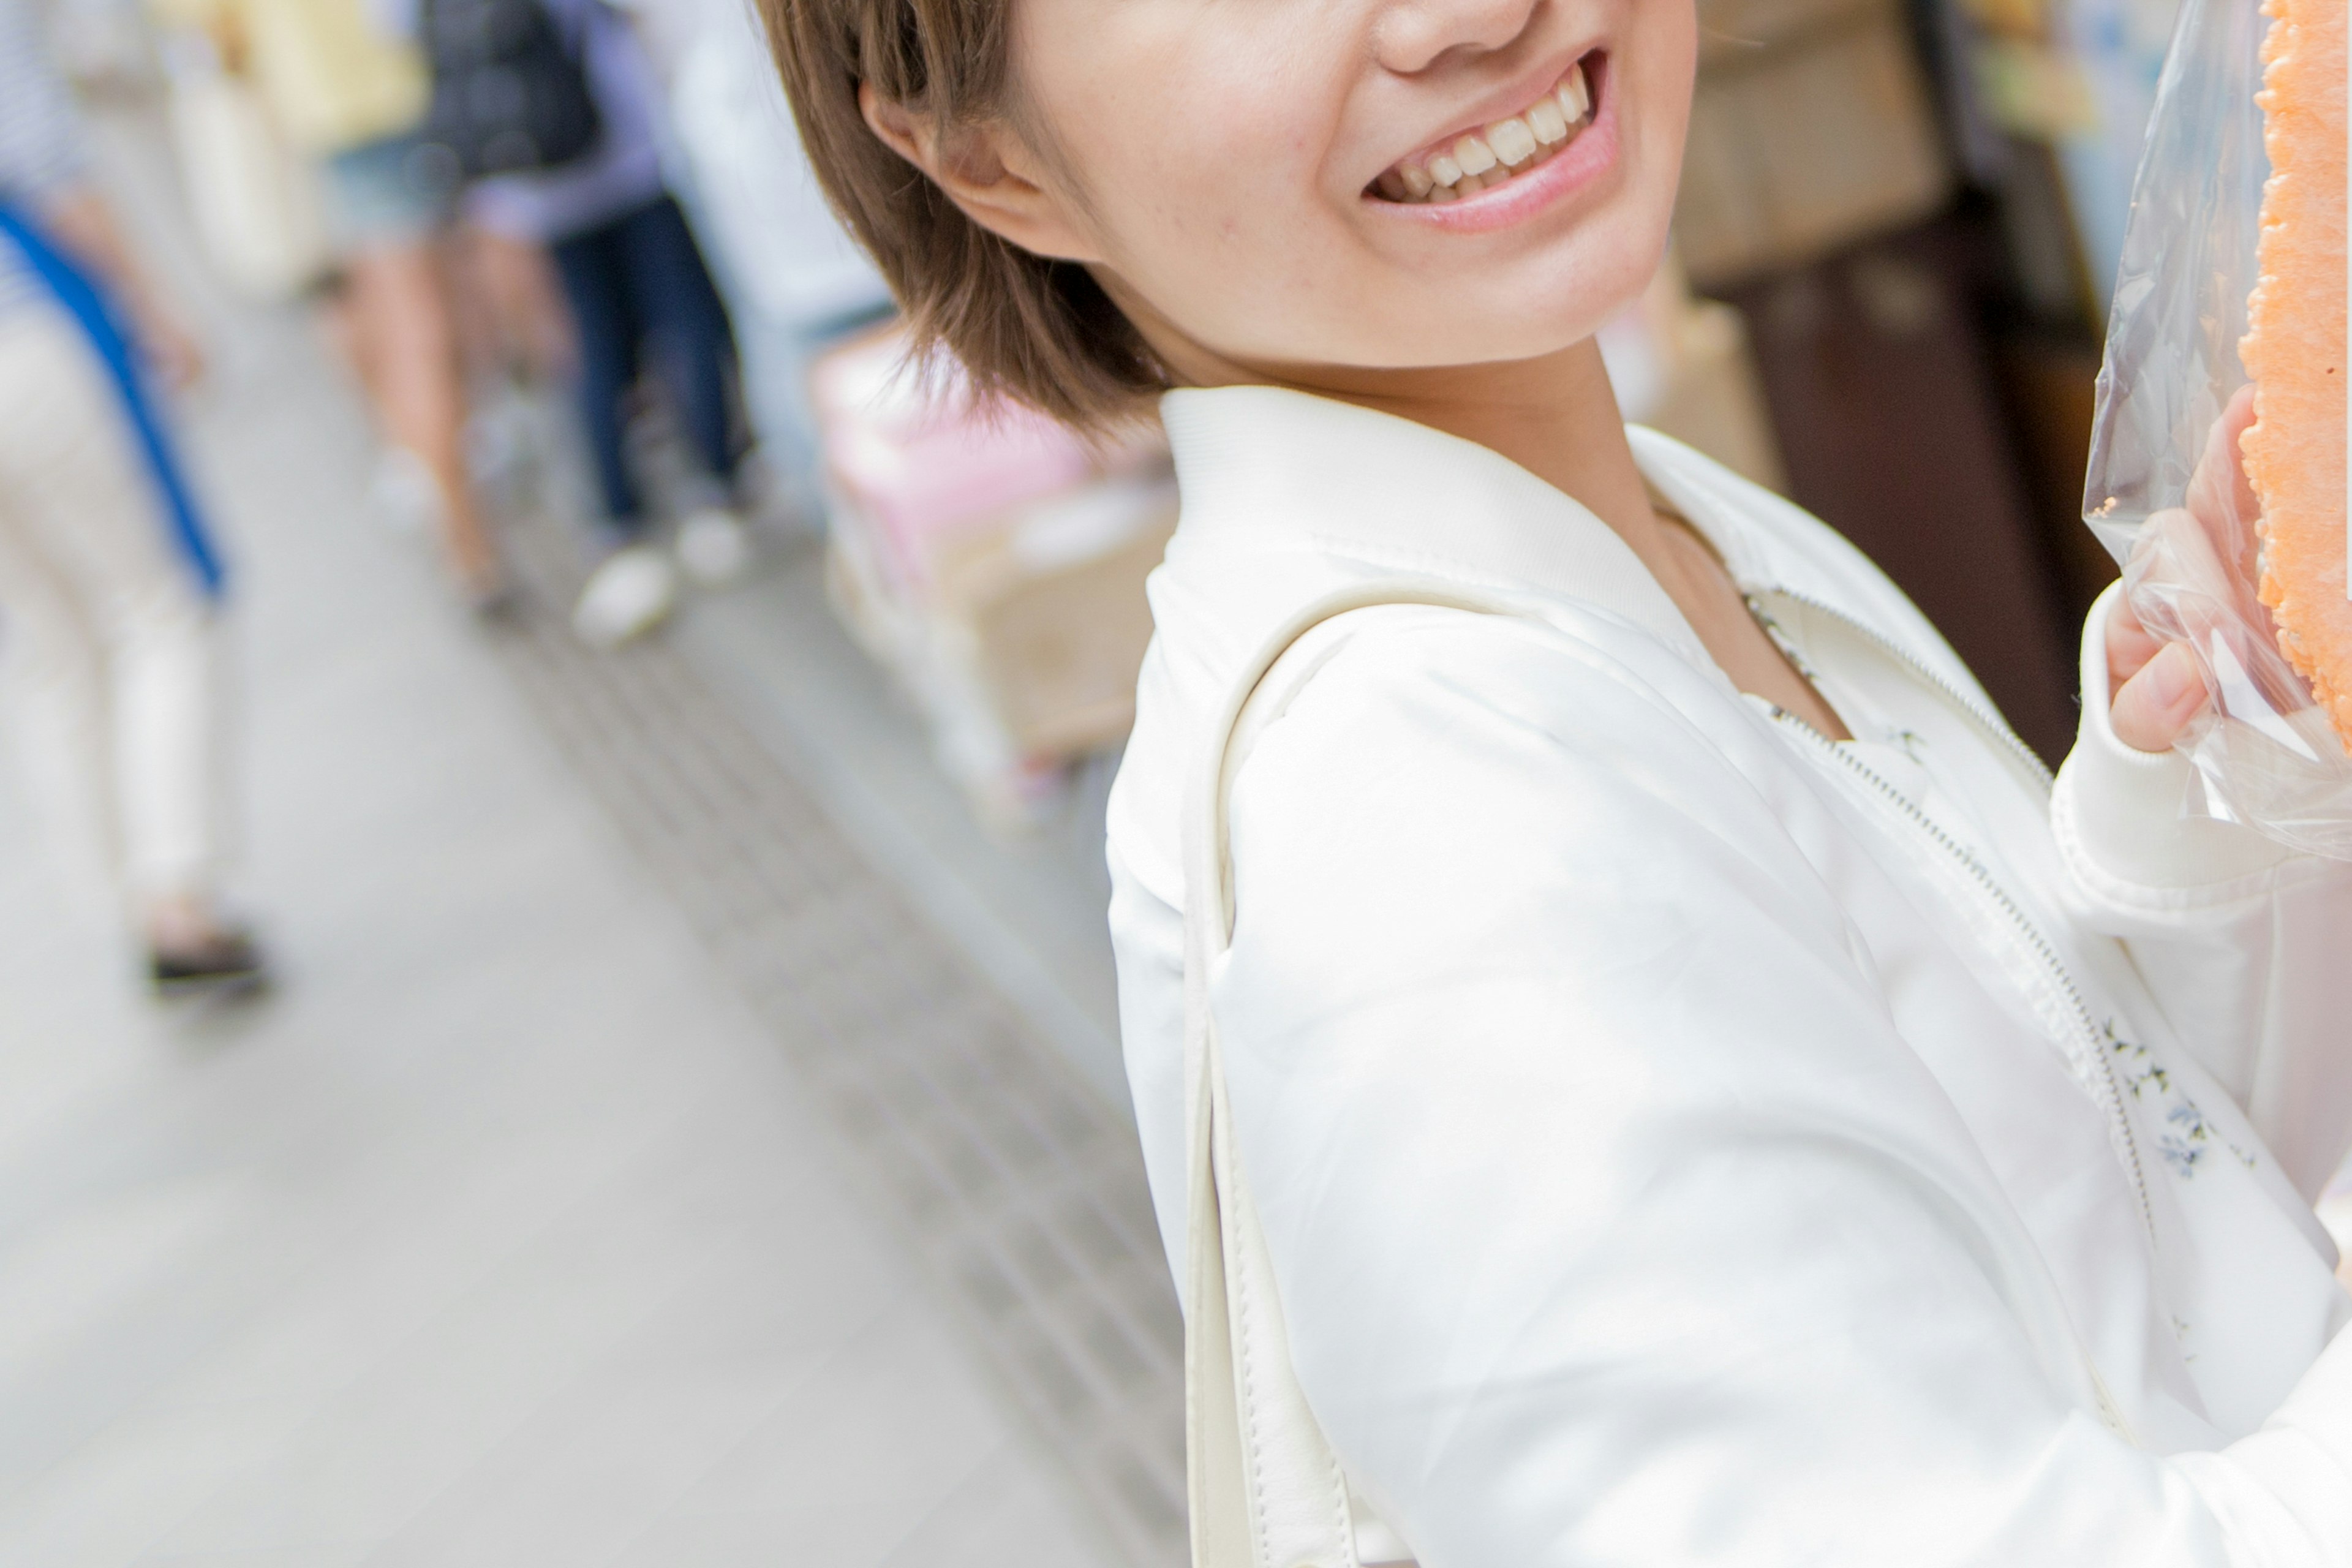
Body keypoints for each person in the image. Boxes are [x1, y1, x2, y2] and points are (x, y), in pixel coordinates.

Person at [766, 0, 2352, 1561]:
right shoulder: (1420, 826)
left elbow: (2123, 1223)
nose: (1471, 16)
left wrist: (2208, 786)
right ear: (985, 157)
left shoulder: (1644, 528)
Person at [0, 0, 265, 993]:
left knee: (54, 645)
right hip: (25, 340)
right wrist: (156, 302)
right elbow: (44, 166)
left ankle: (119, 903)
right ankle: (180, 896)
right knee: (160, 607)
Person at [159, 0, 507, 608]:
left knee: (361, 299)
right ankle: (462, 526)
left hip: (319, 97)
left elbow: (209, 28)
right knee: (425, 308)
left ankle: (429, 480)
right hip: (398, 72)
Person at [467, 0, 755, 649]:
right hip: (623, 130)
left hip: (528, 161)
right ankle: (716, 487)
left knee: (588, 346)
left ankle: (621, 524)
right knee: (684, 313)